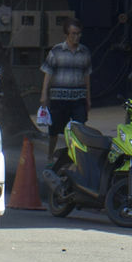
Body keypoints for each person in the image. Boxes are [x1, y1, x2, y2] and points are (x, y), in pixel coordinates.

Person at [39, 19, 91, 159]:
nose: (76, 37)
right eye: (73, 34)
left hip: (78, 97)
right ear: (67, 34)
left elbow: (86, 76)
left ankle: (78, 157)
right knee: (54, 130)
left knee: (80, 128)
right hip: (59, 98)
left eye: (79, 34)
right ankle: (51, 155)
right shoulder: (56, 51)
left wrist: (88, 98)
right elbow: (48, 73)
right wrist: (44, 94)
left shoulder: (84, 52)